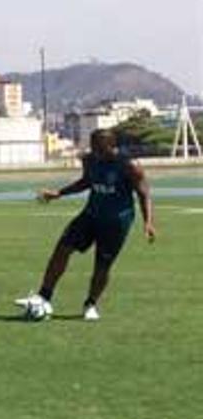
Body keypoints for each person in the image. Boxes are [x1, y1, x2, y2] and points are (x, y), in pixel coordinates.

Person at [14, 129, 156, 321]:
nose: (95, 151)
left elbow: (144, 193)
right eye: (93, 147)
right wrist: (59, 193)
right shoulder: (90, 160)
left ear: (111, 146)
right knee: (62, 249)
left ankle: (90, 304)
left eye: (99, 148)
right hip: (90, 215)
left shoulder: (130, 166)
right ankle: (44, 296)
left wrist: (148, 222)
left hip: (116, 222)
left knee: (102, 266)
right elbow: (86, 182)